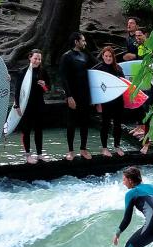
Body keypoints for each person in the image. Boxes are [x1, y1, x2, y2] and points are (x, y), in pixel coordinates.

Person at [58, 31, 97, 160]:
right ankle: (70, 150)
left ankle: (83, 149)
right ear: (76, 42)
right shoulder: (66, 57)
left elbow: (98, 65)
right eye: (83, 40)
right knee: (71, 123)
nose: (85, 43)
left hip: (85, 95)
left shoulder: (86, 55)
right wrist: (69, 96)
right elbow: (63, 78)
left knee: (85, 122)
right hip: (73, 95)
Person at [14, 49, 51, 164]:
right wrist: (17, 106)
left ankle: (39, 154)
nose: (37, 61)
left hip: (39, 104)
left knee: (39, 130)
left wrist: (44, 85)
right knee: (26, 130)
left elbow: (48, 89)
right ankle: (28, 155)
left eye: (39, 59)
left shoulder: (43, 72)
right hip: (26, 105)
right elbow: (17, 91)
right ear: (30, 57)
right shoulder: (23, 72)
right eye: (35, 58)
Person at [95, 46, 125, 158]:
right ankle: (104, 148)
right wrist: (97, 103)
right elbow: (96, 87)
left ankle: (117, 146)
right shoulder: (99, 69)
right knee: (105, 125)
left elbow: (123, 83)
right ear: (102, 56)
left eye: (110, 56)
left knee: (118, 124)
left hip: (118, 100)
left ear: (113, 57)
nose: (108, 58)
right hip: (105, 101)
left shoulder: (118, 68)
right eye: (106, 56)